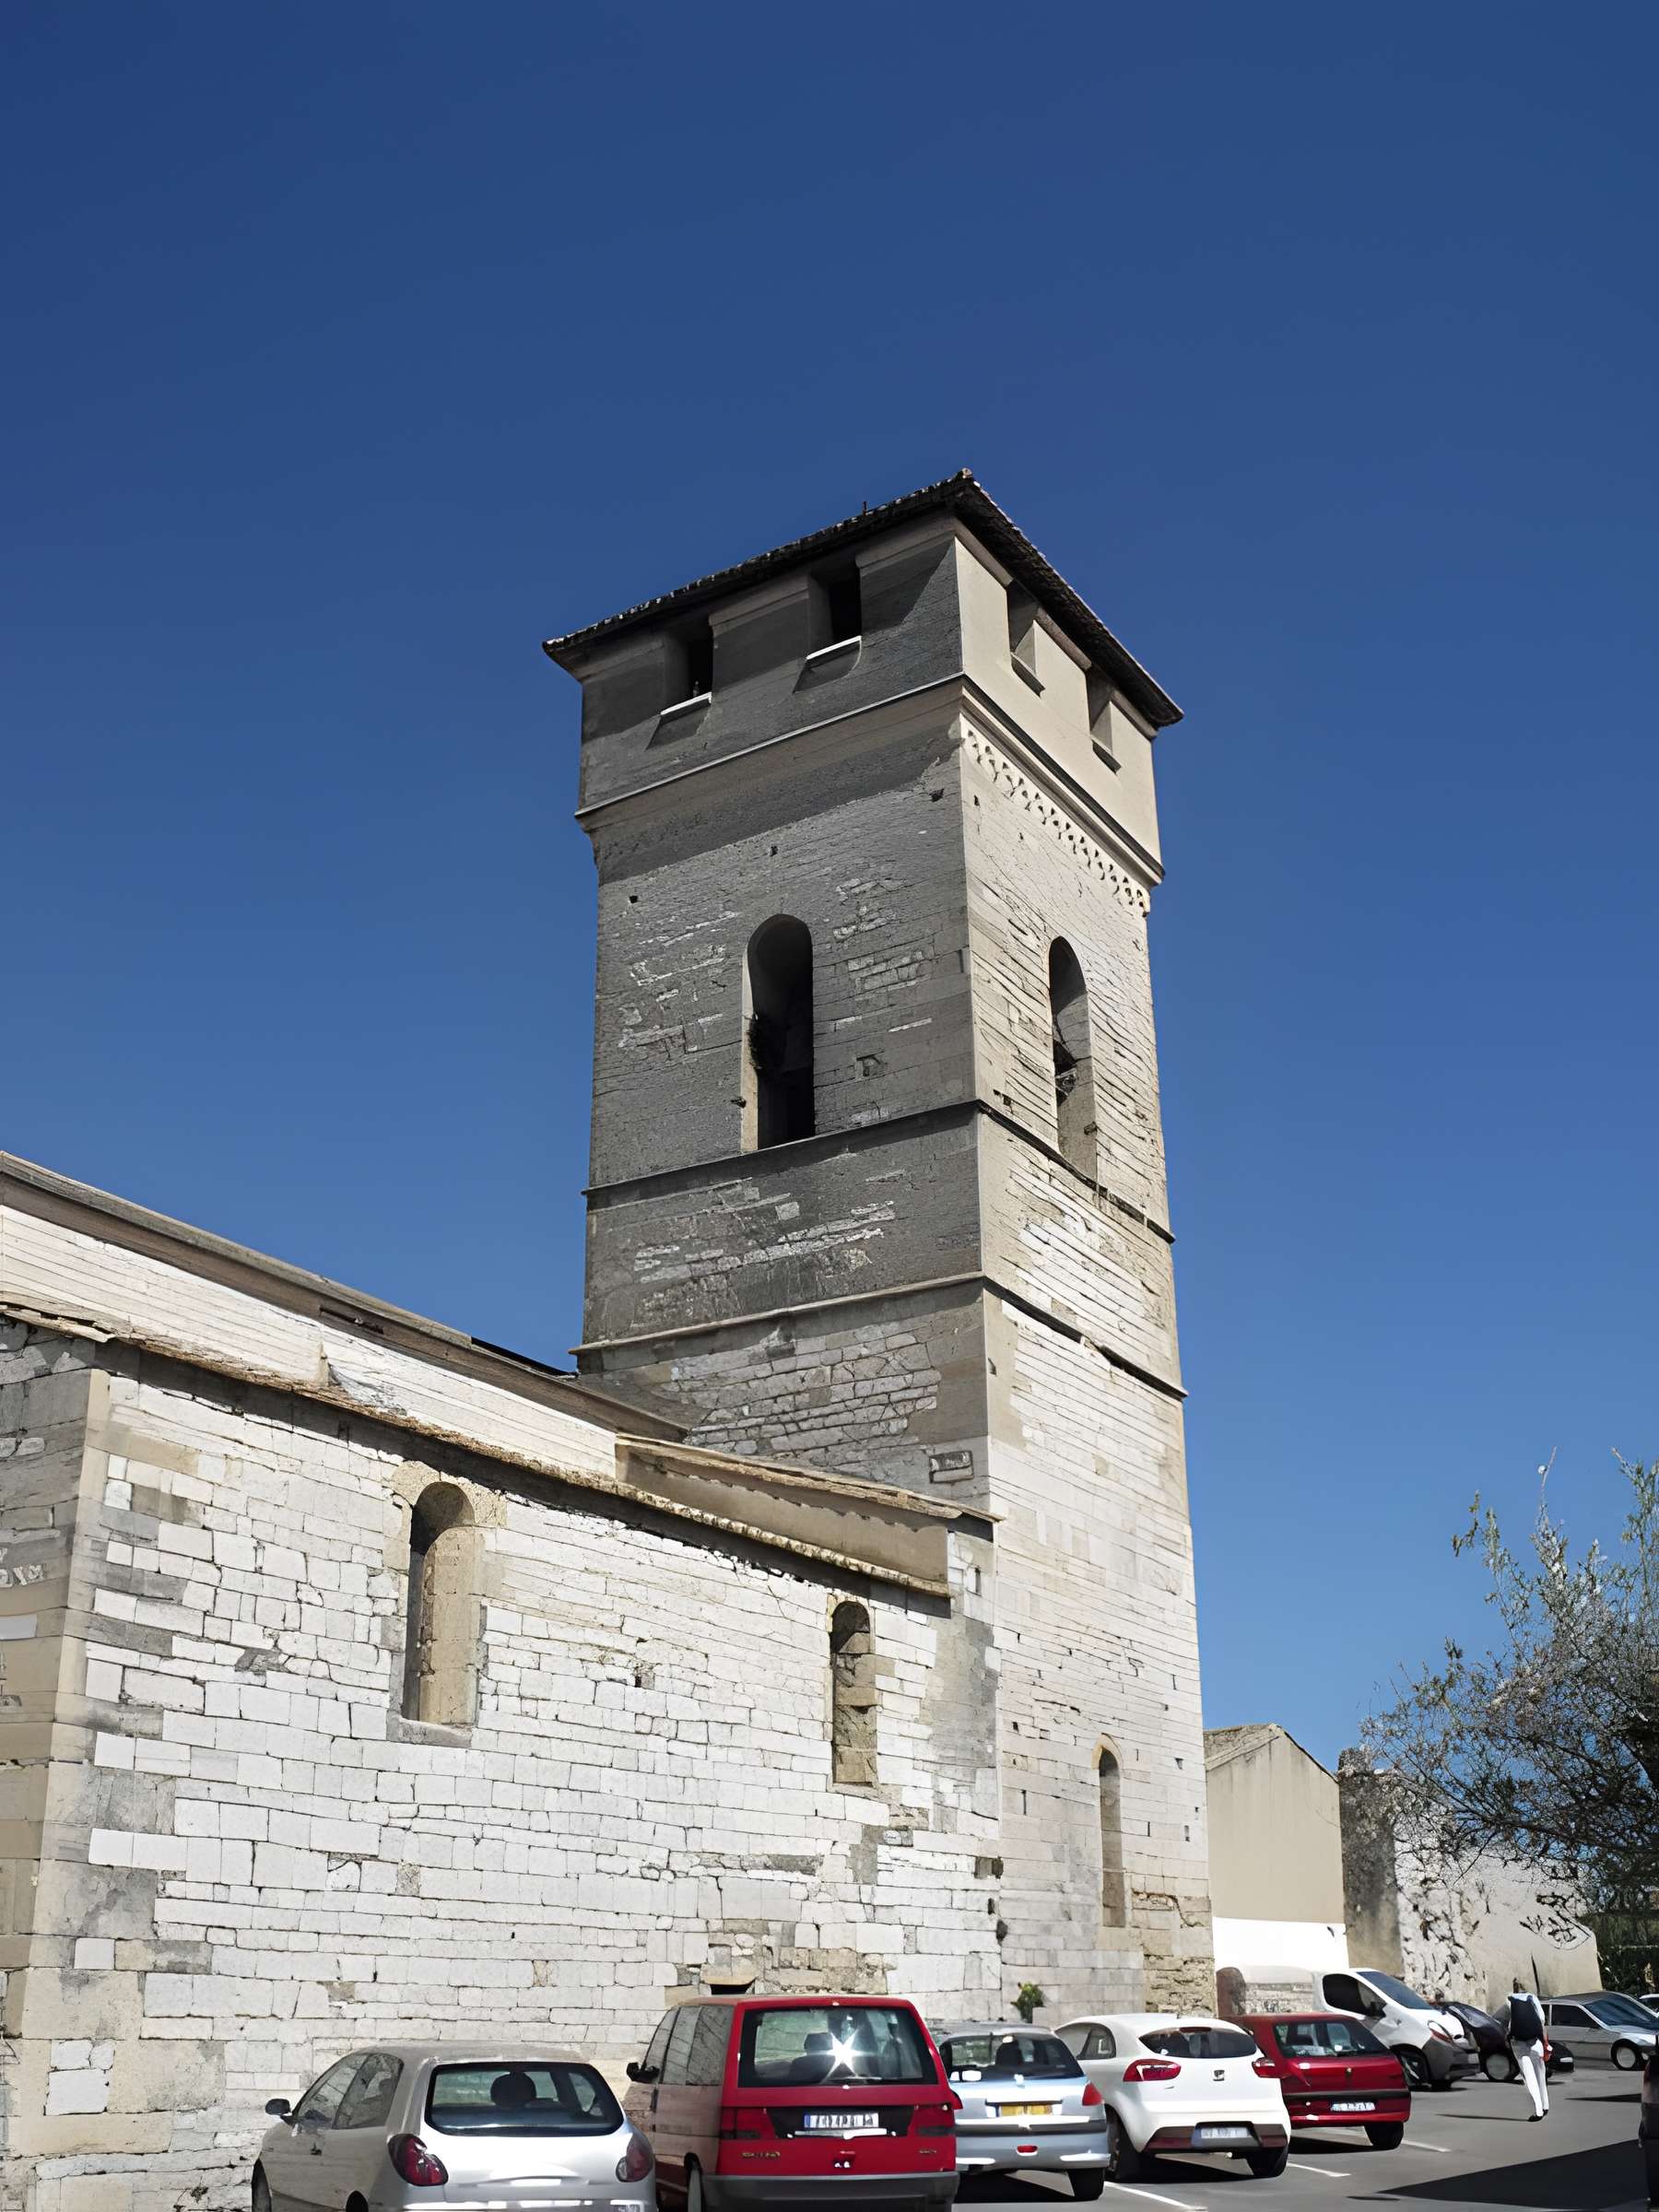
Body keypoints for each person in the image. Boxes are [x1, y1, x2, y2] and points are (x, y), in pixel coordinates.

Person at [1500, 1978, 1550, 2120]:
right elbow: (1541, 2019)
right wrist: (1545, 2041)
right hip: (1536, 2042)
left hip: (1519, 2043)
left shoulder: (1509, 1999)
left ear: (1514, 1987)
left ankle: (1538, 2111)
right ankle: (1546, 2105)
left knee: (1529, 2077)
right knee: (1541, 2073)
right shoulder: (1532, 1997)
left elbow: (1505, 2020)